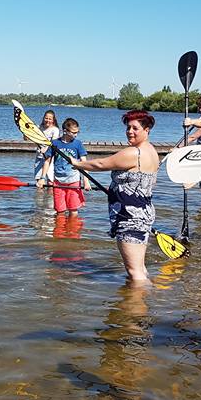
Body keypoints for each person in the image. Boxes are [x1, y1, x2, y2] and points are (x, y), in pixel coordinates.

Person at [69, 110, 160, 285]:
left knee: (135, 273)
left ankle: (137, 309)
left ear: (147, 129)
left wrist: (77, 164)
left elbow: (101, 164)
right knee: (139, 269)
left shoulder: (134, 153)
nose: (130, 131)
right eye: (128, 127)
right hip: (143, 213)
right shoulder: (152, 151)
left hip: (130, 217)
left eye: (135, 128)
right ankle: (144, 302)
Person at [43, 117, 90, 216]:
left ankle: (72, 230)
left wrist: (86, 181)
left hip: (73, 182)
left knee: (73, 210)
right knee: (60, 211)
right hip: (58, 182)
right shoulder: (55, 143)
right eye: (73, 132)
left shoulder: (78, 144)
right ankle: (60, 231)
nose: (76, 135)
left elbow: (84, 164)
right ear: (65, 131)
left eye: (77, 132)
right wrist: (42, 178)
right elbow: (47, 162)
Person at [32, 110, 60, 187]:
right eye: (46, 118)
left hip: (50, 158)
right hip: (39, 156)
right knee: (38, 181)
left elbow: (53, 142)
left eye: (50, 119)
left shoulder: (55, 130)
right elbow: (27, 138)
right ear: (43, 118)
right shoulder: (39, 128)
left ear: (53, 120)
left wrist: (46, 149)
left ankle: (49, 198)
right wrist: (25, 134)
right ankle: (39, 198)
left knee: (50, 182)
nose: (47, 120)